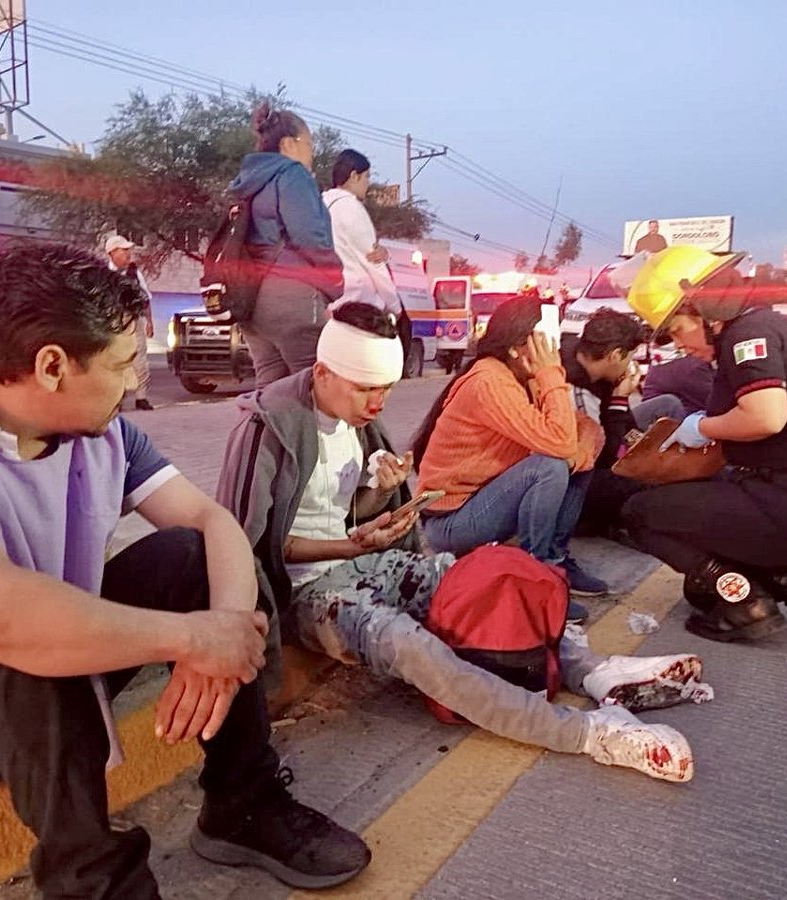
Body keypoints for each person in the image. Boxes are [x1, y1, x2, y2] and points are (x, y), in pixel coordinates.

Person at [0, 244, 370, 898]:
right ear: (51, 366)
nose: (135, 383)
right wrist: (186, 639)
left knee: (188, 557)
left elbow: (214, 524)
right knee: (20, 632)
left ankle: (244, 803)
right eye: (124, 364)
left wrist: (226, 632)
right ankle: (95, 882)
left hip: (23, 667)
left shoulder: (102, 433)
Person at [217, 301, 705, 784]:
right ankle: (586, 733)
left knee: (489, 576)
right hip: (309, 593)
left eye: (386, 389)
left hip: (365, 561)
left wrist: (382, 495)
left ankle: (594, 672)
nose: (377, 403)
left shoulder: (357, 419)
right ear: (323, 373)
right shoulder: (269, 425)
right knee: (410, 646)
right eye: (366, 389)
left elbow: (345, 515)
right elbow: (247, 545)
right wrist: (352, 547)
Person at [619, 246, 787, 644]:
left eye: (677, 330)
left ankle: (747, 606)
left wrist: (701, 427)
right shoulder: (766, 325)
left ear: (704, 311)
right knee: (699, 588)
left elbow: (766, 416)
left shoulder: (747, 335)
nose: (679, 343)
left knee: (639, 513)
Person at [411, 296, 609, 598]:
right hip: (450, 522)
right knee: (551, 467)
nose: (553, 351)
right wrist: (550, 374)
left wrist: (577, 453)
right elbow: (560, 441)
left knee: (574, 463)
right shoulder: (490, 381)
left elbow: (585, 428)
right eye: (545, 341)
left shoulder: (520, 376)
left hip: (482, 502)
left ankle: (555, 562)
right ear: (517, 347)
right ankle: (535, 580)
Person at [228, 102, 344, 387]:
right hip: (292, 298)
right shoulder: (292, 174)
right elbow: (310, 236)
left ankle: (258, 433)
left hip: (252, 300)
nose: (312, 153)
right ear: (288, 143)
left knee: (270, 389)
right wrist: (336, 280)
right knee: (314, 384)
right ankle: (310, 434)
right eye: (309, 143)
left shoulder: (247, 182)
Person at [558, 309, 688, 539]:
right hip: (577, 476)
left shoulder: (597, 370)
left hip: (604, 440)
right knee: (653, 482)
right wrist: (619, 400)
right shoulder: (576, 391)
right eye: (630, 357)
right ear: (616, 355)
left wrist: (636, 439)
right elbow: (603, 457)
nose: (630, 364)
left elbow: (620, 427)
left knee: (667, 405)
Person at [321, 149, 401, 319]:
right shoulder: (351, 208)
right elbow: (373, 261)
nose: (367, 183)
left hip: (328, 303)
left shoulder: (320, 205)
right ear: (354, 176)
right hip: (358, 306)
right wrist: (395, 306)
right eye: (366, 177)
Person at [105, 233, 155, 410]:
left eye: (128, 250)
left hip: (134, 320)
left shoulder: (135, 274)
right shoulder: (102, 274)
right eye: (124, 250)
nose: (128, 254)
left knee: (140, 358)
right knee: (115, 361)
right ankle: (116, 399)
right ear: (112, 253)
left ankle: (141, 397)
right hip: (113, 322)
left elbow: (146, 297)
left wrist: (149, 321)